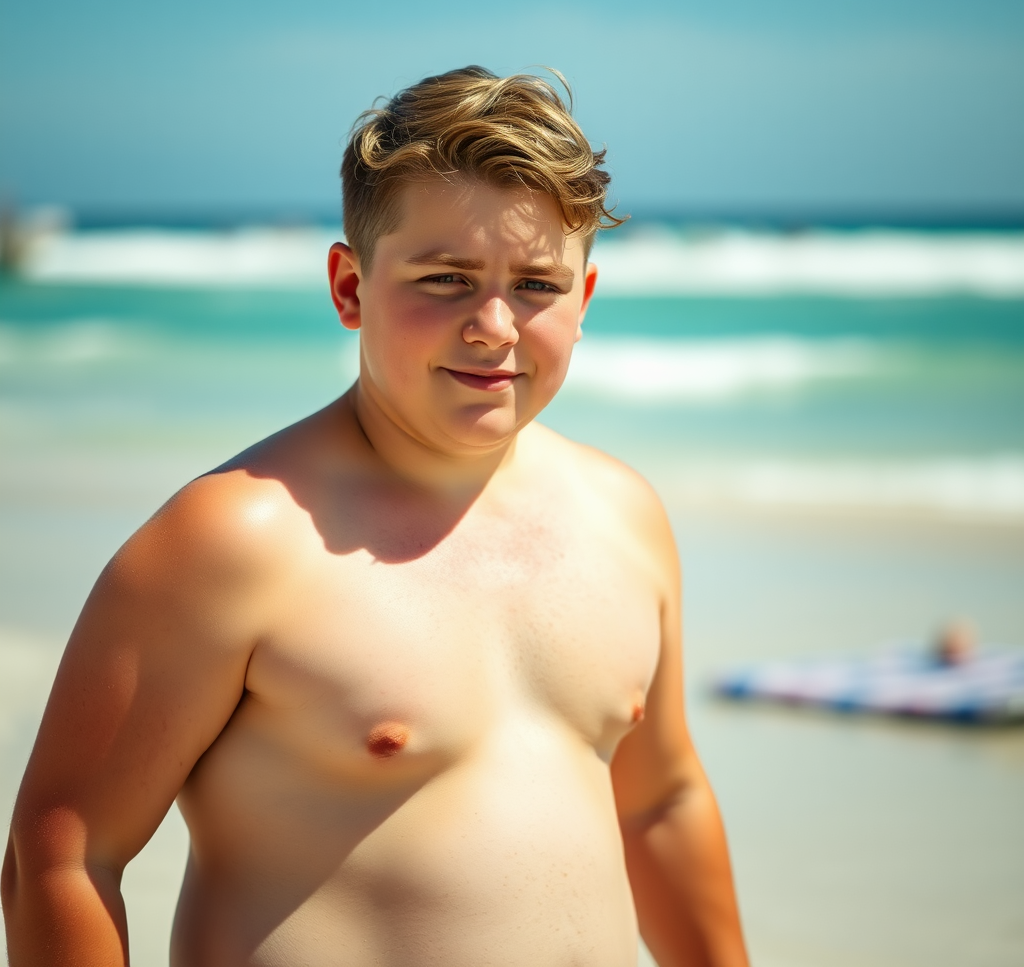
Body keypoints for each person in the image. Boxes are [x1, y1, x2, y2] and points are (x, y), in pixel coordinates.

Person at [2, 66, 749, 967]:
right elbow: (66, 856)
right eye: (446, 279)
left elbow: (659, 802)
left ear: (583, 300)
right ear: (350, 288)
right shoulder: (237, 542)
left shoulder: (624, 517)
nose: (496, 325)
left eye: (537, 286)